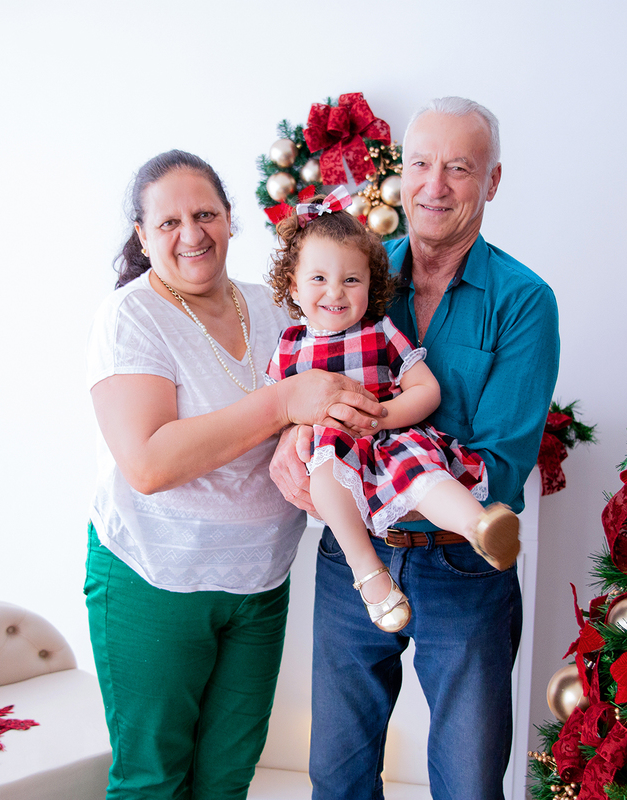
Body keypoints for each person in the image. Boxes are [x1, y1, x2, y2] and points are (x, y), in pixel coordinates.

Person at [270, 98, 560, 799]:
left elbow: (501, 459)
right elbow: (304, 374)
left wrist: (374, 442)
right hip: (353, 560)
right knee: (336, 775)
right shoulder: (355, 275)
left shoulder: (524, 301)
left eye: (459, 168)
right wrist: (292, 433)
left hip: (461, 566)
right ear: (402, 173)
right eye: (422, 164)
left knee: (467, 782)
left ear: (491, 183)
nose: (435, 186)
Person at [85, 149, 385, 800]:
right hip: (154, 579)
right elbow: (148, 463)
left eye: (205, 214)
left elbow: (318, 402)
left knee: (227, 779)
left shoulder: (275, 308)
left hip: (258, 583)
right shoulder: (133, 316)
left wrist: (301, 440)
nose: (191, 234)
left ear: (229, 220)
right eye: (168, 223)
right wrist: (281, 405)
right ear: (141, 236)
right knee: (153, 782)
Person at [263, 189, 520, 635]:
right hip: (332, 450)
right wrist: (298, 428)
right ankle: (370, 576)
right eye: (318, 278)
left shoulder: (380, 330)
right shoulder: (290, 347)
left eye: (351, 280)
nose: (335, 293)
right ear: (293, 285)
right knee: (326, 478)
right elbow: (272, 413)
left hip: (391, 439)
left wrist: (379, 416)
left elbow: (427, 390)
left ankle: (478, 527)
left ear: (371, 283)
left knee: (425, 476)